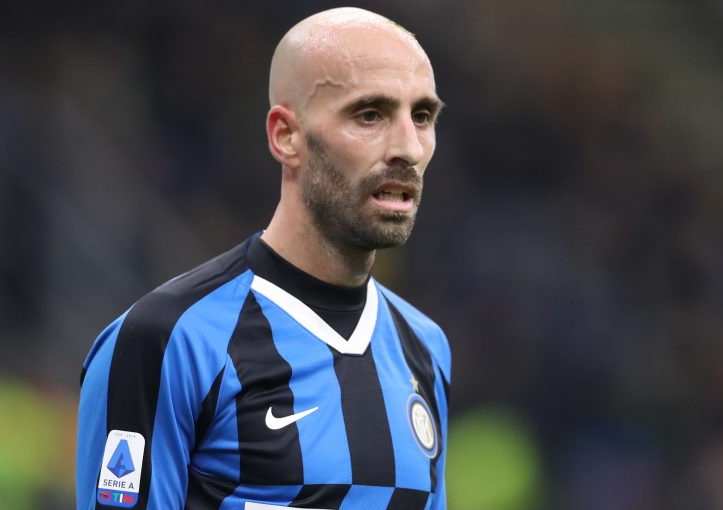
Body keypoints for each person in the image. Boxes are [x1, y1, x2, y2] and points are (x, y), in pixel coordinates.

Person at [76, 7, 450, 510]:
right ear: (286, 136)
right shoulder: (167, 341)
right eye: (369, 115)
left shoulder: (425, 349)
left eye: (422, 116)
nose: (409, 147)